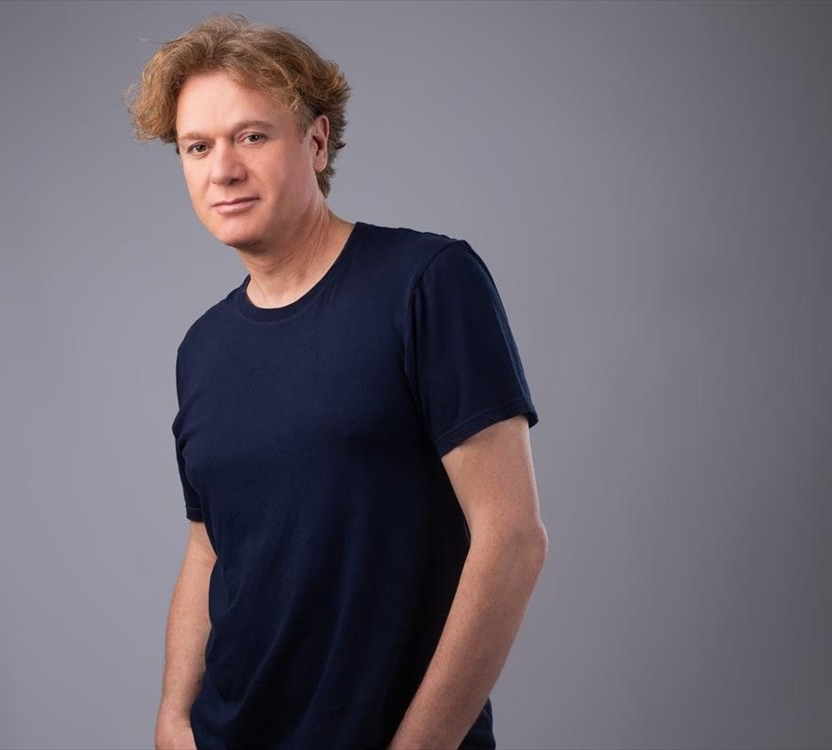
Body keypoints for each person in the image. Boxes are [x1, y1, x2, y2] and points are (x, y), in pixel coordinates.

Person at [126, 13, 548, 750]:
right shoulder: (203, 349)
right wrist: (172, 717)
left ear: (316, 142)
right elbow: (208, 549)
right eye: (198, 146)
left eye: (251, 136)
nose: (222, 169)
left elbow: (511, 539)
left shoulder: (426, 284)